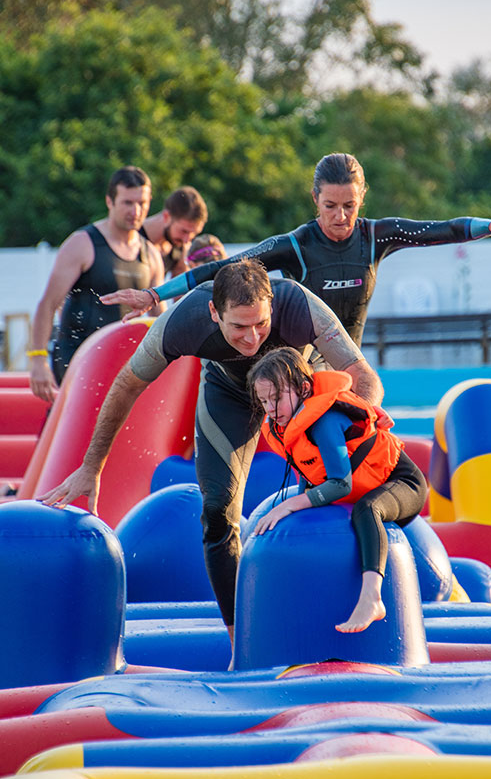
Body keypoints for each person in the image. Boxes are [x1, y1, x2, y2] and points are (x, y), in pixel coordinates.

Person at [39, 260, 384, 647]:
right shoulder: (184, 321)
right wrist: (92, 465)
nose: (253, 338)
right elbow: (125, 385)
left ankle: (350, 602)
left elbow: (365, 378)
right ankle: (243, 642)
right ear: (214, 313)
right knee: (218, 512)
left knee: (332, 486)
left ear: (272, 307)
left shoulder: (300, 305)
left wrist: (349, 437)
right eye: (238, 327)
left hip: (300, 390)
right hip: (231, 393)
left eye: (261, 324)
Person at [99, 153, 491, 345]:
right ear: (314, 199)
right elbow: (224, 267)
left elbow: (436, 230)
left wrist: (490, 226)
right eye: (330, 206)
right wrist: (155, 295)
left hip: (351, 366)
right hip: (298, 368)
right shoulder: (296, 246)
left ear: (362, 200)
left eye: (350, 206)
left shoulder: (376, 235)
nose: (340, 217)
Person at [248, 346, 426, 633]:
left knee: (367, 510)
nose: (270, 409)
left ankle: (372, 597)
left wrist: (290, 505)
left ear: (304, 389)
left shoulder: (325, 421)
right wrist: (298, 501)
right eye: (264, 400)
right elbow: (311, 473)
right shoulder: (287, 426)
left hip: (401, 482)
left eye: (276, 398)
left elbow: (341, 484)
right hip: (365, 486)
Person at [28, 166, 165, 403]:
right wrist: (38, 359)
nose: (136, 211)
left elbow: (159, 321)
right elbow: (48, 303)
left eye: (142, 203)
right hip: (79, 360)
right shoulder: (82, 244)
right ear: (109, 201)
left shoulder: (150, 254)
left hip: (127, 366)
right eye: (127, 202)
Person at [140, 186, 208, 278]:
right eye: (184, 231)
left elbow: (179, 290)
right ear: (166, 216)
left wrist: (183, 266)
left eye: (194, 234)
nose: (186, 240)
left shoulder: (178, 246)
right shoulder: (132, 237)